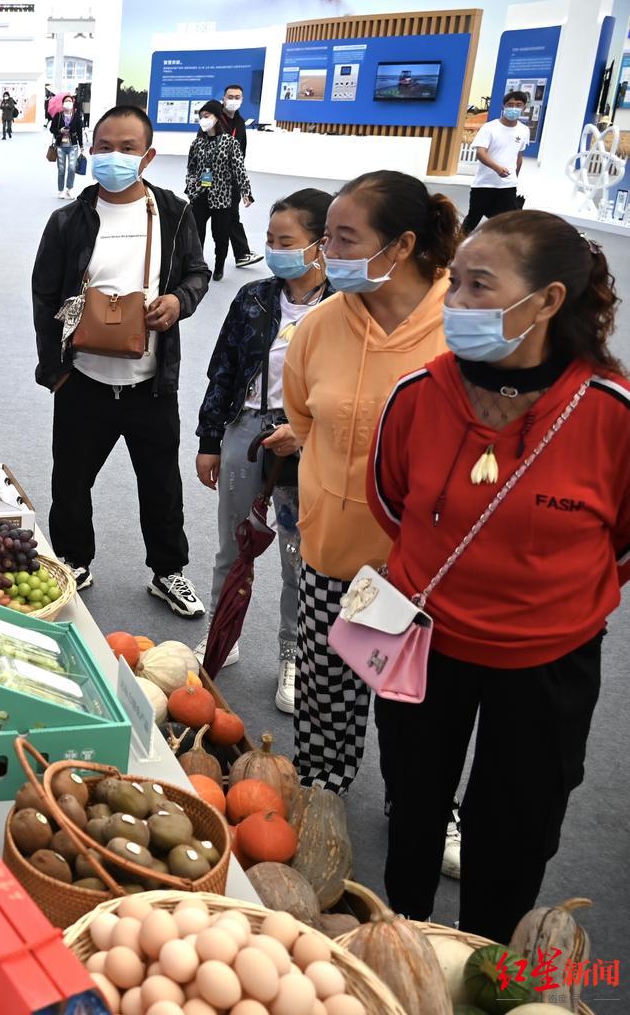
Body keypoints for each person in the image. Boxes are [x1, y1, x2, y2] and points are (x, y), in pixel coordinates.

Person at [369, 211, 628, 940]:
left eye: (479, 286)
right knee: (413, 808)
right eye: (455, 283)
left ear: (547, 301)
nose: (454, 304)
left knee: (514, 831)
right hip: (423, 647)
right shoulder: (419, 394)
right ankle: (407, 939)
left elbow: (623, 544)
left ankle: (487, 957)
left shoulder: (612, 414)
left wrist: (537, 595)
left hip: (545, 666)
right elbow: (394, 505)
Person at [282, 169, 458, 795]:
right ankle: (321, 783)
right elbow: (303, 417)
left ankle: (425, 807)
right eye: (326, 238)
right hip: (331, 546)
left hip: (424, 566)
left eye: (346, 240)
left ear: (402, 246)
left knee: (419, 704)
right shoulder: (322, 324)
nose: (328, 254)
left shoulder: (457, 328)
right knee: (326, 685)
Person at [32, 104, 211, 614]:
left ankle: (168, 571)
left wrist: (179, 302)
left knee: (160, 483)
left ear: (148, 155)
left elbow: (196, 273)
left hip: (151, 381)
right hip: (82, 378)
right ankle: (72, 559)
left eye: (128, 148)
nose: (114, 156)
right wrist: (56, 372)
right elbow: (44, 295)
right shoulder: (69, 219)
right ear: (91, 150)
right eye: (105, 146)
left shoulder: (174, 213)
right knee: (70, 480)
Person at [196, 189, 334, 709]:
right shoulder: (253, 297)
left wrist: (307, 429)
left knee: (299, 556)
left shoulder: (345, 306)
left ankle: (291, 656)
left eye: (287, 241)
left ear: (320, 245)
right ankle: (221, 633)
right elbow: (223, 371)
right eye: (270, 239)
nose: (275, 250)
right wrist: (211, 440)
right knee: (233, 542)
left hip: (310, 441)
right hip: (246, 430)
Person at [186, 100, 255, 283]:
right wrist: (192, 188)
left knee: (220, 236)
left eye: (207, 116)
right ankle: (197, 266)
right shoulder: (197, 143)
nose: (203, 120)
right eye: (201, 117)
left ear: (217, 118)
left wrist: (245, 191)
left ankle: (219, 266)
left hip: (222, 197)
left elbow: (239, 168)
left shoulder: (230, 142)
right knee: (196, 234)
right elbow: (191, 169)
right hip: (200, 195)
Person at [462, 90, 530, 233]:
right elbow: (480, 153)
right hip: (484, 184)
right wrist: (497, 168)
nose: (514, 108)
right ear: (503, 106)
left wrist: (514, 178)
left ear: (524, 108)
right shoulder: (490, 127)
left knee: (506, 223)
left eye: (518, 105)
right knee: (472, 220)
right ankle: (454, 248)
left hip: (508, 186)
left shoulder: (524, 130)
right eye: (510, 104)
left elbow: (518, 157)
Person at [218, 85, 263, 268]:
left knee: (231, 216)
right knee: (200, 221)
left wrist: (244, 188)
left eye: (237, 97)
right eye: (230, 96)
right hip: (211, 181)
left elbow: (240, 157)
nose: (234, 100)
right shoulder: (213, 120)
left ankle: (242, 254)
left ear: (242, 100)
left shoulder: (240, 123)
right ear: (223, 97)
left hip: (232, 181)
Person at [51, 95, 85, 199]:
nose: (68, 102)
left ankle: (69, 189)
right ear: (62, 104)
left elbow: (80, 131)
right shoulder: (58, 115)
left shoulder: (76, 115)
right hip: (61, 145)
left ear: (73, 103)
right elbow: (52, 129)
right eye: (66, 101)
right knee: (61, 169)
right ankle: (60, 190)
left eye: (70, 101)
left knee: (71, 168)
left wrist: (81, 145)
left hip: (73, 145)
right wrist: (59, 131)